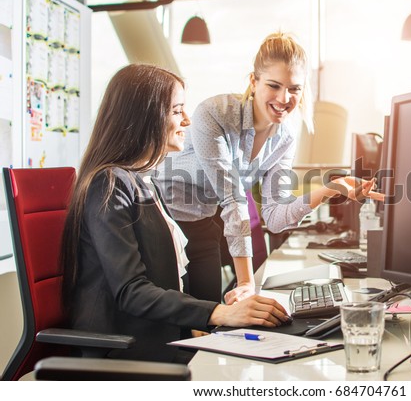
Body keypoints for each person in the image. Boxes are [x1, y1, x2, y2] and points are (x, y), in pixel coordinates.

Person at [60, 63, 289, 364]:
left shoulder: (144, 180)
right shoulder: (110, 184)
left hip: (163, 337)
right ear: (146, 116)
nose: (188, 120)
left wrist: (205, 324)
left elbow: (166, 282)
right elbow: (131, 291)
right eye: (177, 110)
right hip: (127, 350)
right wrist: (218, 313)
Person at [156, 32, 383, 306]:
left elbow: (275, 217)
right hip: (166, 215)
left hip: (206, 218)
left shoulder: (284, 137)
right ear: (254, 82)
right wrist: (246, 282)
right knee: (182, 315)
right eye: (274, 85)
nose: (284, 98)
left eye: (294, 89)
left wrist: (328, 190)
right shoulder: (214, 113)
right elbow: (233, 198)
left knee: (206, 310)